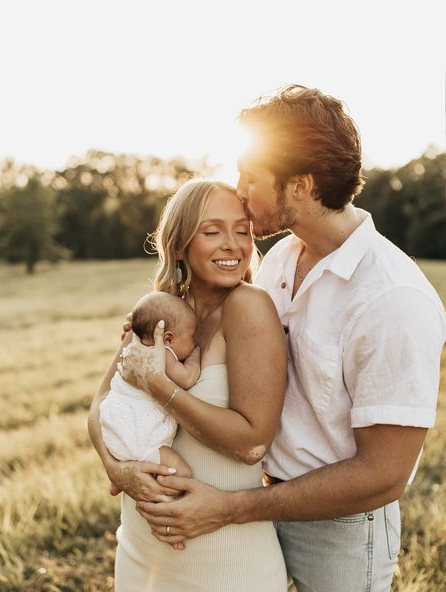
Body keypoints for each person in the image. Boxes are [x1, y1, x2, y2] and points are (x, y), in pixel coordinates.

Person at [124, 85, 446, 592]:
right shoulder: (277, 260)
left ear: (300, 185)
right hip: (259, 501)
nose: (241, 191)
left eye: (252, 178)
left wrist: (232, 509)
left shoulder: (393, 298)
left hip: (337, 530)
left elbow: (384, 473)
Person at [88, 179, 289, 591]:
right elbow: (102, 404)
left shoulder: (250, 307)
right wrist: (118, 470)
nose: (233, 244)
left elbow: (252, 442)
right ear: (180, 245)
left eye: (242, 230)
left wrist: (162, 388)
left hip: (224, 558)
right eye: (212, 231)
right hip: (142, 549)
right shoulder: (160, 309)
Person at [99, 291, 199, 477]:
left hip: (115, 436)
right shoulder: (162, 354)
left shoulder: (137, 347)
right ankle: (167, 500)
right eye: (192, 336)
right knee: (183, 472)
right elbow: (187, 378)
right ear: (168, 338)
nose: (195, 340)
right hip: (142, 440)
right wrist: (196, 355)